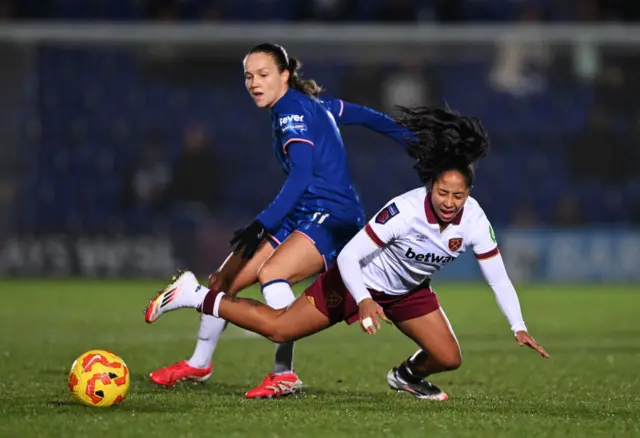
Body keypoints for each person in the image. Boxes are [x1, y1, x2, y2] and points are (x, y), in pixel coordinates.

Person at [145, 106, 549, 400]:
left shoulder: (474, 220)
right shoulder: (403, 211)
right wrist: (365, 300)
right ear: (430, 187)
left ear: (469, 194)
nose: (448, 201)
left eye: (457, 195)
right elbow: (350, 257)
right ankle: (195, 295)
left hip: (408, 292)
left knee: (448, 357)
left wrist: (517, 325)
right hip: (356, 280)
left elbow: (497, 275)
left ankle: (406, 376)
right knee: (280, 328)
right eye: (442, 192)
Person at [147, 42, 413, 398]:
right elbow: (363, 115)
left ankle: (282, 373)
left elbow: (301, 175)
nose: (254, 83)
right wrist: (409, 137)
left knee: (272, 273)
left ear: (284, 75)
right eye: (248, 76)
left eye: (263, 74)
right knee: (225, 279)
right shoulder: (306, 104)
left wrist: (261, 223)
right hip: (303, 210)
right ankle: (199, 363)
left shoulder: (291, 112)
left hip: (332, 214)